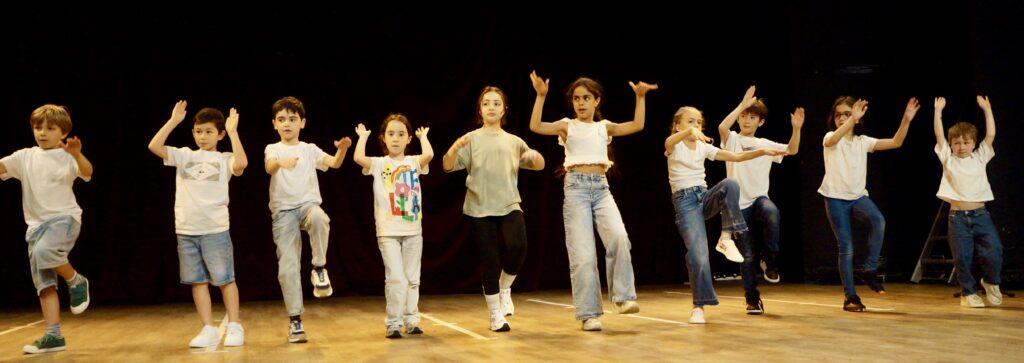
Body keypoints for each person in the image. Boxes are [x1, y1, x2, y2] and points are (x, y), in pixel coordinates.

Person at [528, 70, 657, 331]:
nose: (581, 103)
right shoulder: (567, 125)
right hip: (575, 190)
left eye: (586, 98)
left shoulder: (603, 127)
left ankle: (622, 298)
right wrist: (541, 96)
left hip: (601, 189)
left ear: (597, 100)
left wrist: (640, 97)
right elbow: (536, 126)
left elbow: (637, 125)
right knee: (584, 255)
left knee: (619, 237)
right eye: (576, 98)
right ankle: (589, 314)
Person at [666, 105, 788, 323]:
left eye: (699, 123)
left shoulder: (703, 147)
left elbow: (736, 157)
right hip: (685, 203)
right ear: (677, 126)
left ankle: (726, 237)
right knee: (698, 255)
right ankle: (699, 306)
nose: (696, 126)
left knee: (730, 184)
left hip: (703, 197)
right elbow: (668, 143)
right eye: (690, 121)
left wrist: (762, 151)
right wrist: (688, 133)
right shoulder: (675, 146)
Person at [443, 86, 545, 332]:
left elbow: (539, 165)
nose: (491, 107)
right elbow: (447, 166)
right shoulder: (471, 139)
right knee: (490, 260)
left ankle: (505, 287)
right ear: (480, 109)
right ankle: (494, 315)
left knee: (518, 246)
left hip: (509, 204)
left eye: (496, 103)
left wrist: (533, 154)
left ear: (504, 110)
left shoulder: (513, 141)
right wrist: (454, 149)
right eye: (486, 103)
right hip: (480, 208)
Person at [148, 101, 247, 347]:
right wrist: (173, 121)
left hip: (215, 229)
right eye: (199, 131)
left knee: (225, 279)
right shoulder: (184, 155)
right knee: (197, 281)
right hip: (186, 230)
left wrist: (234, 133)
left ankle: (234, 325)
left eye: (209, 132)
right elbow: (154, 146)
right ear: (193, 132)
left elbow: (241, 164)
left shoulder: (225, 158)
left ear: (220, 134)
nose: (203, 137)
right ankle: (208, 328)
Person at [1, 104, 93, 354]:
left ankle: (76, 281)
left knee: (45, 254)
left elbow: (87, 173)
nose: (42, 132)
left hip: (64, 219)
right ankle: (54, 336)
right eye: (37, 127)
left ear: (63, 132)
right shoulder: (24, 156)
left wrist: (77, 154)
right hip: (36, 226)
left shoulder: (67, 155)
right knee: (44, 284)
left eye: (49, 128)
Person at [819, 96, 919, 312]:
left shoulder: (862, 142)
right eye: (838, 115)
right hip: (835, 198)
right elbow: (831, 141)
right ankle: (850, 297)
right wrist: (850, 120)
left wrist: (906, 119)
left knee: (878, 220)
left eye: (847, 113)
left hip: (857, 197)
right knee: (846, 247)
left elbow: (895, 142)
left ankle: (868, 269)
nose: (842, 118)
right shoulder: (831, 137)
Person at [264, 96, 351, 342]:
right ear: (274, 124)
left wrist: (341, 149)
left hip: (307, 205)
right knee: (288, 267)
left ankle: (319, 268)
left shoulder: (309, 149)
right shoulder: (273, 149)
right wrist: (281, 162)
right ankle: (295, 320)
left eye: (292, 119)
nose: (287, 124)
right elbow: (269, 167)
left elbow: (333, 164)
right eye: (281, 120)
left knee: (319, 219)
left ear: (302, 122)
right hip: (283, 213)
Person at [716, 86, 803, 314]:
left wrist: (796, 129)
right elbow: (722, 127)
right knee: (746, 255)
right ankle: (752, 298)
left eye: (752, 117)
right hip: (737, 206)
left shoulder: (765, 144)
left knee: (772, 212)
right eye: (744, 116)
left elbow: (792, 150)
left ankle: (770, 259)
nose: (746, 120)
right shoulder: (733, 140)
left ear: (760, 122)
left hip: (759, 199)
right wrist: (742, 105)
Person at [352, 113, 433, 338]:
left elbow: (429, 155)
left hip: (413, 231)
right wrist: (362, 137)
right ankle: (394, 322)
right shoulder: (379, 164)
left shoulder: (413, 162)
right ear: (383, 138)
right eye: (391, 134)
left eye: (401, 134)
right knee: (396, 277)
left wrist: (423, 136)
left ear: (408, 139)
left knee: (412, 278)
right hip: (388, 231)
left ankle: (412, 319)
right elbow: (359, 158)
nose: (395, 138)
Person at [932, 96, 1002, 308]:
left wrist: (987, 109)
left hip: (981, 215)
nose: (961, 146)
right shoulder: (948, 158)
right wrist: (938, 112)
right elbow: (938, 134)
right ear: (951, 145)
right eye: (956, 143)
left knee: (994, 250)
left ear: (973, 143)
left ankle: (990, 282)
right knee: (962, 257)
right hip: (958, 218)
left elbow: (991, 134)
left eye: (966, 142)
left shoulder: (980, 157)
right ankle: (968, 293)